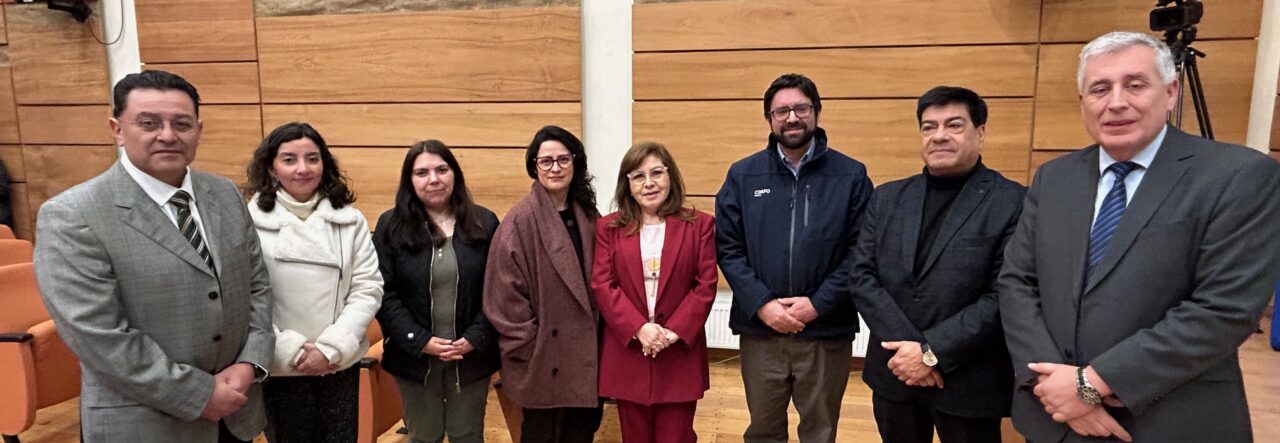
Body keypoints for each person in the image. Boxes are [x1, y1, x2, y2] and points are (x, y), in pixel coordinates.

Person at [998, 31, 1280, 443]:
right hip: (1054, 417)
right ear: (1083, 103)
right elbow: (1017, 282)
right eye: (1100, 89)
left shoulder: (1238, 176)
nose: (1116, 102)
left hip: (1170, 419)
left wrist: (1090, 385)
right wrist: (1052, 385)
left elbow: (1224, 308)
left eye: (1134, 85)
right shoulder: (1054, 177)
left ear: (1170, 93)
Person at [32, 70, 273, 442]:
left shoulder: (224, 193)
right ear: (117, 129)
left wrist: (250, 363)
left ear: (198, 130)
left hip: (236, 411)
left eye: (182, 124)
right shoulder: (72, 215)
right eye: (149, 123)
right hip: (146, 422)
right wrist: (198, 394)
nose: (168, 135)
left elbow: (257, 285)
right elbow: (99, 336)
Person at [851, 86, 1024, 443]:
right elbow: (862, 277)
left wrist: (932, 352)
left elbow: (1003, 294)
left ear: (980, 132)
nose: (939, 135)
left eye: (954, 125)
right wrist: (914, 353)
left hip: (968, 380)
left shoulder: (1014, 201)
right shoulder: (887, 198)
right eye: (929, 127)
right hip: (895, 372)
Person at [715, 73, 873, 442]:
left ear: (816, 111)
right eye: (781, 111)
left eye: (801, 108)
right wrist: (763, 304)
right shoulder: (743, 175)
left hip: (825, 330)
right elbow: (728, 247)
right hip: (761, 331)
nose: (791, 118)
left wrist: (817, 304)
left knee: (820, 432)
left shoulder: (851, 175)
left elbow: (862, 250)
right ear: (768, 118)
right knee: (763, 431)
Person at [243, 122, 383, 443]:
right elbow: (247, 296)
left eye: (312, 158)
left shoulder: (349, 220)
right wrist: (291, 351)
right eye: (289, 159)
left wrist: (330, 348)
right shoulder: (249, 221)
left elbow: (367, 288)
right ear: (271, 168)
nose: (303, 169)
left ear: (324, 163)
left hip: (337, 363)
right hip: (281, 367)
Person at [374, 140, 501, 443]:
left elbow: (499, 290)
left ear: (454, 174)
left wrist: (475, 336)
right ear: (410, 180)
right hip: (413, 357)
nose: (434, 179)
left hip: (471, 355)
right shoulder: (390, 225)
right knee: (423, 435)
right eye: (422, 173)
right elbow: (383, 293)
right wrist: (420, 341)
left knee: (467, 434)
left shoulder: (485, 222)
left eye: (442, 170)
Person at [591, 142, 717, 443]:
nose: (648, 183)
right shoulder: (608, 228)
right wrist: (639, 328)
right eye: (638, 176)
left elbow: (705, 284)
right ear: (628, 185)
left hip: (678, 353)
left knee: (677, 436)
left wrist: (671, 332)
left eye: (656, 173)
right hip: (629, 352)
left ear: (670, 176)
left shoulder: (699, 225)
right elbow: (603, 284)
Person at [484, 125, 603, 443]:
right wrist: (530, 347)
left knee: (581, 434)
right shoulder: (519, 221)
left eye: (563, 159)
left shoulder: (588, 214)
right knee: (541, 436)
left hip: (584, 356)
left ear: (575, 162)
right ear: (534, 166)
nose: (555, 168)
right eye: (546, 161)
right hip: (543, 360)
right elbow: (504, 298)